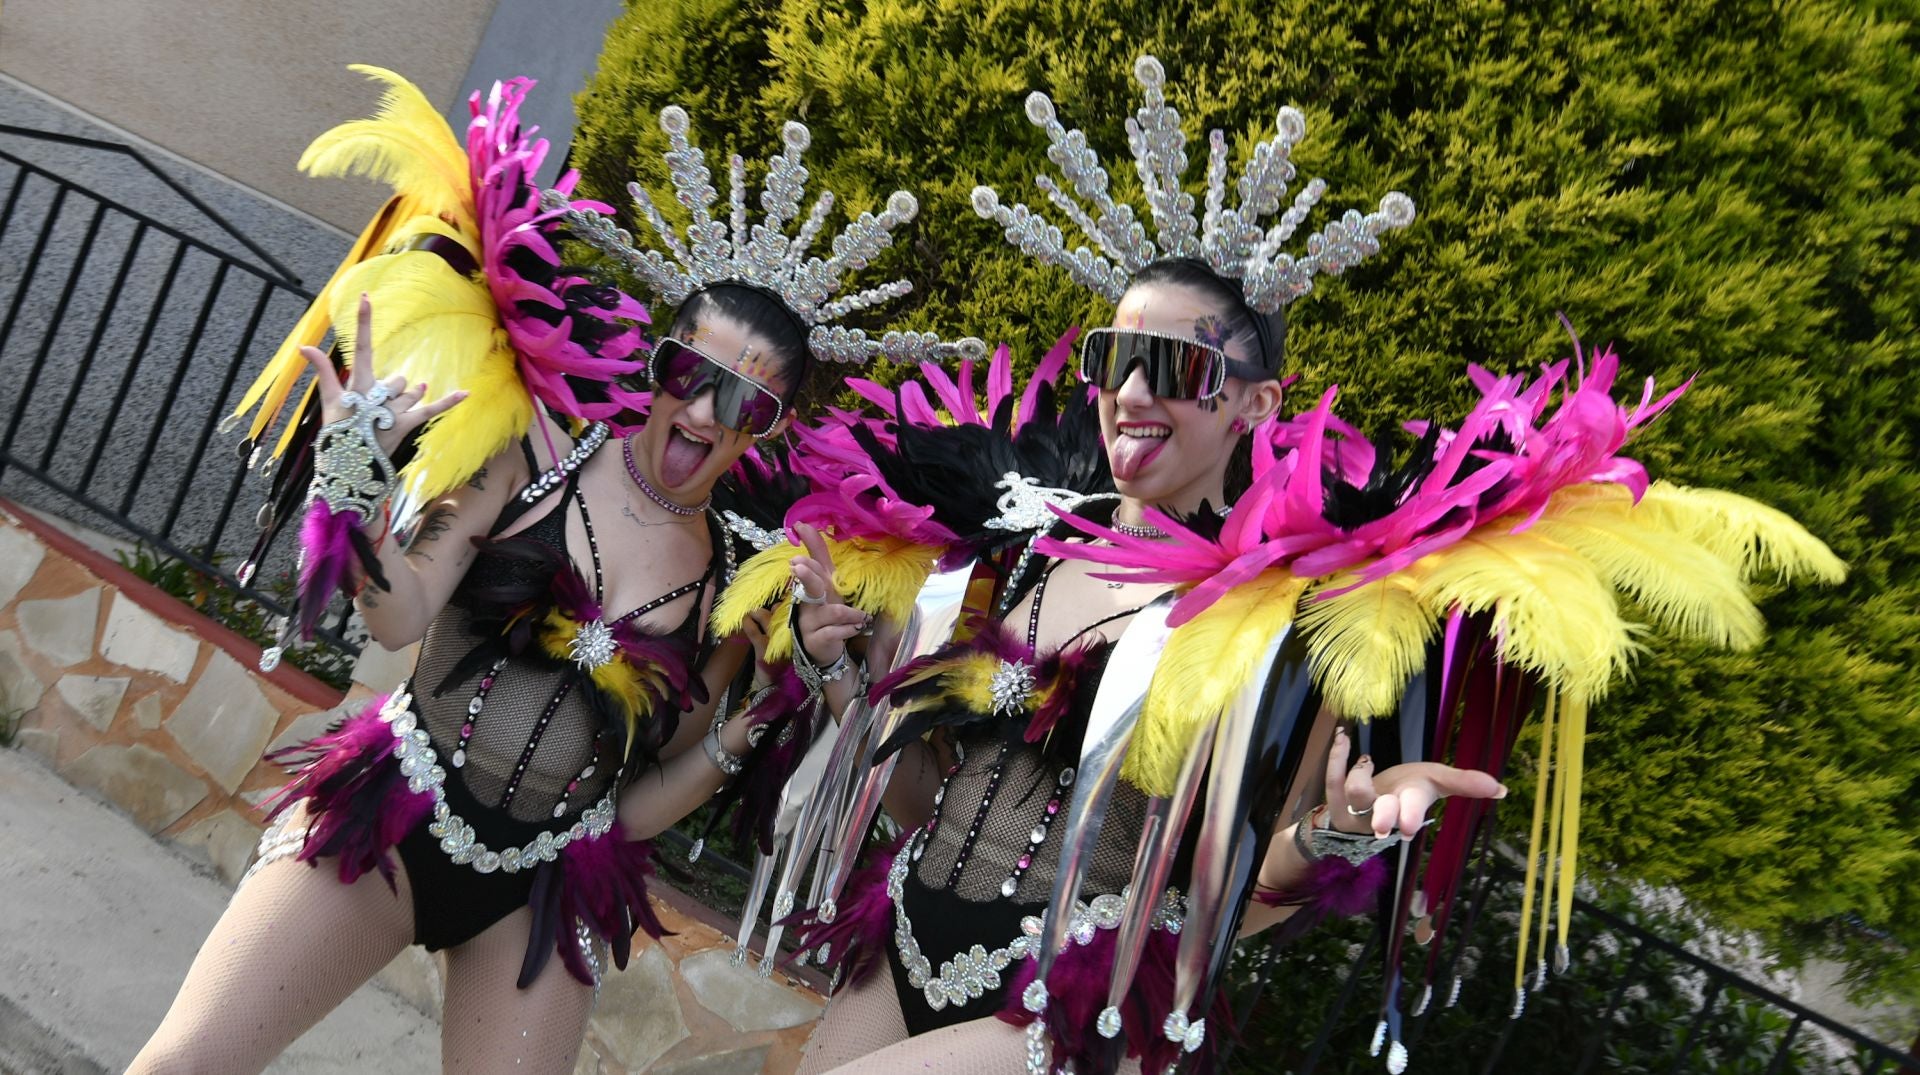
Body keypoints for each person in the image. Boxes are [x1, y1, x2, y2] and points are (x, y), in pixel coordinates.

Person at [131, 68, 979, 1075]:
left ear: (770, 431)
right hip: (394, 810)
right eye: (689, 376)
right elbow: (399, 617)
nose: (706, 414)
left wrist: (746, 730)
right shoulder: (528, 459)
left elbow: (633, 805)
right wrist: (354, 485)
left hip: (539, 886)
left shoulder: (734, 598)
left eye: (744, 404)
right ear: (658, 368)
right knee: (188, 1062)